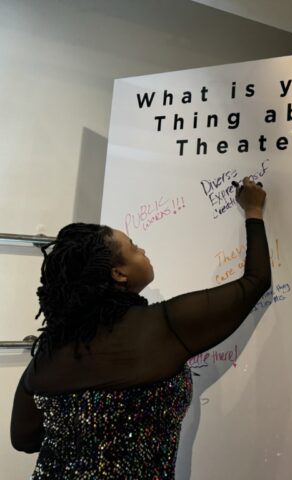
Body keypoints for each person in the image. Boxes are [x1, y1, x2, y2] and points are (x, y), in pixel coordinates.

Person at [10, 177, 271, 479]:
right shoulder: (164, 325)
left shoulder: (48, 353)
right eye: (133, 247)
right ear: (118, 273)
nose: (142, 249)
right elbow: (255, 283)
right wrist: (253, 210)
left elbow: (24, 440)